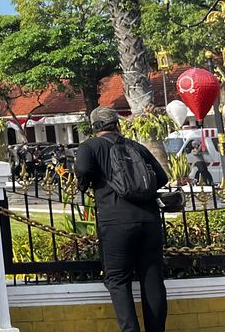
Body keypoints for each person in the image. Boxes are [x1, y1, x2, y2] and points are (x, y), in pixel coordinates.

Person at [75, 106, 170, 332]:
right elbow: (162, 177)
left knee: (118, 281)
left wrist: (88, 183)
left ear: (94, 128)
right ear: (117, 125)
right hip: (149, 220)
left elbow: (83, 170)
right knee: (152, 280)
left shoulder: (90, 146)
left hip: (115, 221)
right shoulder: (136, 147)